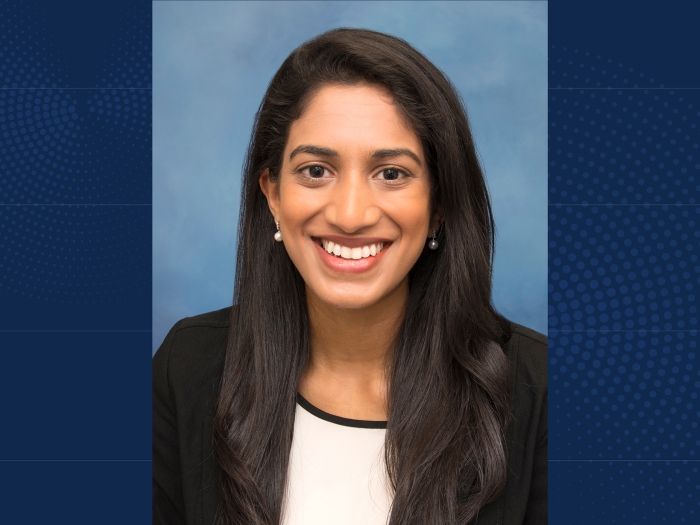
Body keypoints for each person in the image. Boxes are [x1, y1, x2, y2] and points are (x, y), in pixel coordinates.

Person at [153, 28, 547, 525]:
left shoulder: (541, 390)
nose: (350, 214)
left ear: (440, 204)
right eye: (316, 170)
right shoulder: (187, 369)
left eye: (392, 174)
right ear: (272, 194)